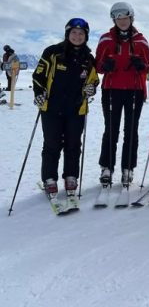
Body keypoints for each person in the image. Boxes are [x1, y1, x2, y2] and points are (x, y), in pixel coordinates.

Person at [32, 18, 99, 203]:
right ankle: (49, 179)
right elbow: (38, 76)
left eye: (81, 33)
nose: (77, 36)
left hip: (76, 109)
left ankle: (71, 177)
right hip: (51, 108)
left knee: (73, 145)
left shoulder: (88, 58)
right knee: (52, 144)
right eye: (74, 33)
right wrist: (39, 92)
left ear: (86, 36)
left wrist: (91, 88)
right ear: (67, 34)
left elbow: (93, 80)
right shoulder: (53, 52)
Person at [96, 2, 149, 187]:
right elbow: (97, 65)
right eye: (118, 18)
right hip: (111, 90)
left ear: (131, 18)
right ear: (114, 20)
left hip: (135, 90)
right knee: (111, 129)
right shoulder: (106, 39)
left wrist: (141, 66)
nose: (122, 21)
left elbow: (148, 66)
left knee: (131, 130)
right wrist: (105, 66)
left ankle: (128, 168)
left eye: (125, 17)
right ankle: (107, 167)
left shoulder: (141, 41)